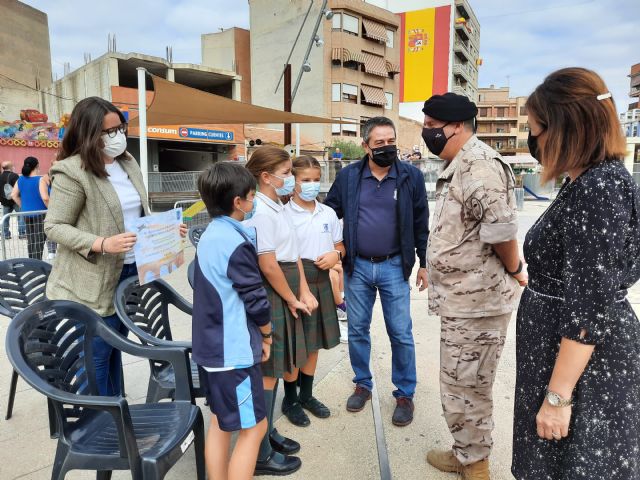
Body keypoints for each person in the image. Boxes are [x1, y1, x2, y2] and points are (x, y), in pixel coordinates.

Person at [512, 68, 640, 480]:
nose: (535, 142)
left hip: (579, 364)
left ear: (563, 129)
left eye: (535, 130)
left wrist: (557, 397)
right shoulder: (585, 182)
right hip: (557, 350)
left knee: (575, 464)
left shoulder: (599, 188)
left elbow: (590, 304)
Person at [44, 96, 186, 396]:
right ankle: (99, 423)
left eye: (120, 128)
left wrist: (167, 229)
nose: (118, 136)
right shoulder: (71, 171)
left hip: (131, 269)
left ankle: (115, 413)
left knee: (114, 348)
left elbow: (137, 213)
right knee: (95, 355)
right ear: (88, 133)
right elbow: (54, 227)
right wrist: (101, 243)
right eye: (109, 132)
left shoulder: (127, 162)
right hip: (92, 280)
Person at [421, 92, 526, 480]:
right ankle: (466, 452)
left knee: (469, 386)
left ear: (457, 127)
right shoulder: (459, 164)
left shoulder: (478, 166)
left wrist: (515, 269)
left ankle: (476, 466)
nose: (426, 134)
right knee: (458, 383)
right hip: (463, 301)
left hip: (477, 304)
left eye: (433, 128)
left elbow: (501, 230)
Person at [324, 116, 429, 427]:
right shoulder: (348, 178)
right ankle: (363, 384)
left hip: (395, 265)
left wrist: (424, 262)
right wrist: (334, 247)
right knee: (357, 330)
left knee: (400, 332)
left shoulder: (410, 177)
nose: (387, 147)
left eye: (390, 141)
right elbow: (329, 214)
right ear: (366, 145)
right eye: (379, 142)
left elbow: (421, 223)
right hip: (357, 267)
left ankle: (405, 393)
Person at [192, 162, 272, 480]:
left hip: (210, 349)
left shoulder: (211, 234)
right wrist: (266, 334)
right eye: (251, 197)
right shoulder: (235, 243)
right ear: (238, 202)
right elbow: (256, 300)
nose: (253, 204)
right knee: (254, 428)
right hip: (233, 352)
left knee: (221, 421)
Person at [244, 146, 317, 476]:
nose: (292, 179)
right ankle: (259, 452)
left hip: (286, 284)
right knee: (269, 371)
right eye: (287, 173)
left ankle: (266, 431)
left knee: (276, 366)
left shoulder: (278, 204)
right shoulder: (259, 209)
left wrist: (301, 288)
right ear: (266, 177)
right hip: (273, 290)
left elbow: (294, 254)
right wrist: (289, 297)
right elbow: (268, 264)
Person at [283, 155, 345, 423]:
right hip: (294, 283)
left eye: (316, 180)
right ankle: (290, 399)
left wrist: (336, 256)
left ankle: (306, 394)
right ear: (292, 182)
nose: (311, 185)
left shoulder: (328, 213)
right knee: (294, 343)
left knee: (314, 343)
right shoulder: (283, 214)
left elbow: (339, 246)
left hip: (321, 281)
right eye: (305, 180)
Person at [11, 157, 47, 259]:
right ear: (37, 166)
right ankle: (37, 263)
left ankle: (31, 261)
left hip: (26, 214)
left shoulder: (20, 179)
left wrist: (23, 206)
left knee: (31, 240)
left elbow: (13, 195)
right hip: (41, 215)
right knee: (39, 240)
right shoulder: (40, 180)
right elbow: (45, 198)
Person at [0, 161, 25, 239]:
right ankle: (21, 233)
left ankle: (5, 234)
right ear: (10, 167)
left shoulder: (0, 176)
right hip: (15, 200)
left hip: (5, 201)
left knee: (5, 218)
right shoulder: (14, 176)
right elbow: (19, 188)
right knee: (21, 216)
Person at [39, 160, 57, 259]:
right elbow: (45, 197)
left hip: (56, 208)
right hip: (52, 208)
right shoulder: (46, 178)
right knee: (51, 230)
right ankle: (52, 251)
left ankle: (53, 251)